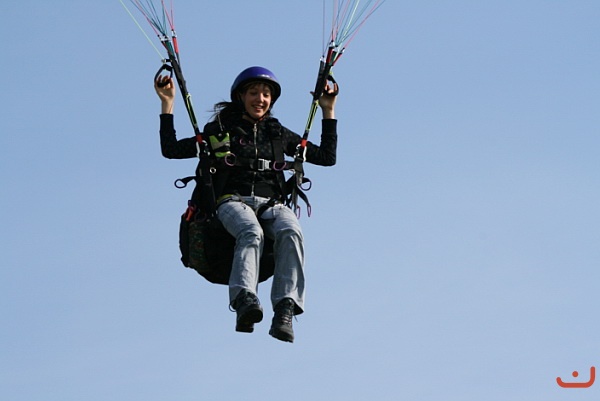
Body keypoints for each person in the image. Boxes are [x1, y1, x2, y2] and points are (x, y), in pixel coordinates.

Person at [155, 66, 338, 342]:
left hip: (271, 203)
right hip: (230, 201)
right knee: (251, 231)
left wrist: (328, 109)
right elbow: (171, 150)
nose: (260, 99)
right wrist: (167, 104)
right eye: (254, 93)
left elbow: (326, 157)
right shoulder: (220, 132)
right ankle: (244, 300)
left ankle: (285, 309)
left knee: (292, 230)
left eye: (266, 94)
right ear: (241, 96)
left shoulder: (277, 133)